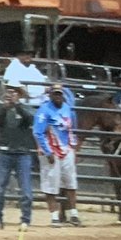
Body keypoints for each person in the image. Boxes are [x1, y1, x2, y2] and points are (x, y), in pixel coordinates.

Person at [33, 82, 81, 228]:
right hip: (51, 150)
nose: (58, 96)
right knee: (51, 183)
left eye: (59, 94)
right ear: (51, 95)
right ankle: (54, 216)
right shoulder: (44, 110)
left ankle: (74, 214)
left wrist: (73, 147)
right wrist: (47, 152)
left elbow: (72, 130)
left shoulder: (67, 109)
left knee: (70, 181)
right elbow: (38, 132)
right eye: (55, 94)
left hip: (66, 148)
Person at [0, 85, 35, 230]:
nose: (11, 94)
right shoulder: (1, 109)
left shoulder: (26, 108)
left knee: (26, 189)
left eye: (14, 92)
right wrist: (5, 107)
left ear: (19, 94)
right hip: (5, 152)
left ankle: (25, 220)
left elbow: (30, 119)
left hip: (23, 153)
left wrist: (17, 106)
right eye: (9, 91)